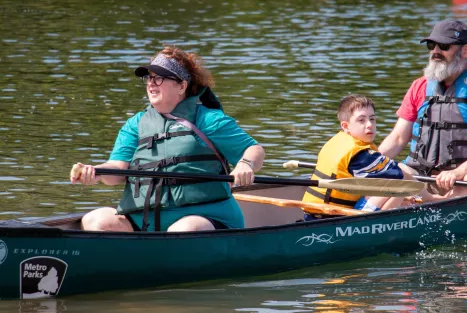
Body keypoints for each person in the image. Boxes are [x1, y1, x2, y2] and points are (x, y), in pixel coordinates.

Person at [70, 46, 265, 232]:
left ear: (181, 86)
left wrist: (246, 164)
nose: (151, 83)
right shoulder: (135, 124)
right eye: (149, 78)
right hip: (145, 221)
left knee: (183, 230)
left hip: (205, 217)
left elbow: (254, 149)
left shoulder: (208, 120)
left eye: (159, 78)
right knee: (94, 220)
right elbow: (117, 172)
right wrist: (96, 171)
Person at [378, 19, 467, 198]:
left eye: (444, 46)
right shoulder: (420, 86)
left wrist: (458, 172)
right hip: (422, 173)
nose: (435, 52)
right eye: (431, 45)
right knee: (392, 172)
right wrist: (372, 163)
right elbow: (398, 138)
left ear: (465, 51)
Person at [301, 94, 426, 220]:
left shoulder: (339, 141)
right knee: (400, 186)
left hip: (314, 214)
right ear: (345, 126)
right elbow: (402, 177)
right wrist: (434, 198)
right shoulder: (360, 155)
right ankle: (380, 225)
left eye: (372, 119)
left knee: (392, 181)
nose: (369, 125)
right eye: (361, 120)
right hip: (331, 217)